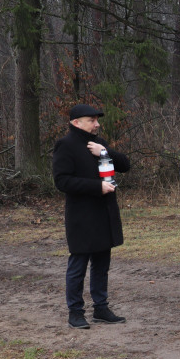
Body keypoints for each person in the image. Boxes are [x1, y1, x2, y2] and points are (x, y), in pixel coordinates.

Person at [52, 104, 130, 329]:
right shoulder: (65, 145)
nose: (97, 124)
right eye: (92, 120)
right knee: (78, 265)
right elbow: (62, 181)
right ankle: (75, 312)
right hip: (81, 216)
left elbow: (125, 164)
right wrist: (97, 187)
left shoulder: (99, 143)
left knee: (102, 263)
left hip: (104, 213)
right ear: (76, 122)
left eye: (97, 119)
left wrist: (104, 152)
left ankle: (101, 308)